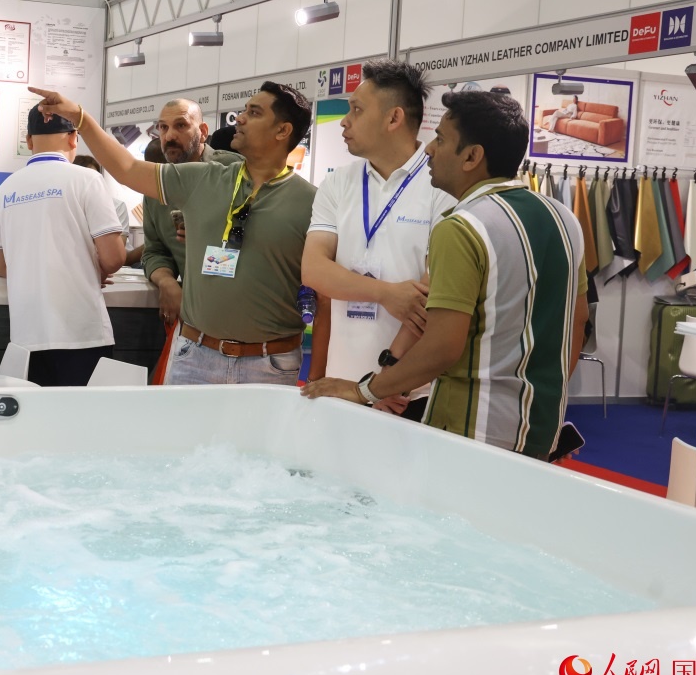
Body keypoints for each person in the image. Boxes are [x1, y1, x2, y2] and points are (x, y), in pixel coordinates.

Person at [303, 90, 588, 461]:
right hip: (539, 426)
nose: (429, 150)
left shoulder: (463, 227)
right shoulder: (564, 219)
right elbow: (577, 323)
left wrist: (365, 390)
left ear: (472, 156)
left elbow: (442, 346)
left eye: (440, 139)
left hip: (470, 429)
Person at [30, 82, 323, 386]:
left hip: (269, 366)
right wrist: (80, 117)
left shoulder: (312, 203)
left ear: (282, 131)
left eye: (254, 112)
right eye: (245, 110)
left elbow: (323, 300)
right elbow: (128, 168)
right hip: (195, 358)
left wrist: (317, 376)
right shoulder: (202, 178)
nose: (240, 118)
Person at [301, 59, 455, 420]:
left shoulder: (440, 186)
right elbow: (313, 269)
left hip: (410, 395)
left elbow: (432, 296)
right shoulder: (338, 182)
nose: (344, 121)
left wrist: (386, 382)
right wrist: (386, 293)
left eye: (356, 110)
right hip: (340, 387)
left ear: (393, 118)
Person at [0, 108, 126, 386]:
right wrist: (89, 267)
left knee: (36, 412)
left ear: (28, 140)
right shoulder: (87, 180)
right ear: (74, 138)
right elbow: (114, 258)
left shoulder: (5, 189)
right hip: (82, 335)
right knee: (83, 411)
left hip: (26, 338)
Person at [142, 99, 240, 326]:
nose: (169, 136)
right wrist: (166, 281)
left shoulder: (234, 172)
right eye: (163, 127)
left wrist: (209, 237)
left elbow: (262, 244)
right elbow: (154, 251)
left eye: (181, 125)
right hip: (192, 321)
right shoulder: (157, 185)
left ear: (203, 132)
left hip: (241, 315)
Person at [73, 154, 142, 266]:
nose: (89, 183)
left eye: (93, 178)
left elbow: (115, 252)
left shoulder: (116, 206)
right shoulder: (69, 206)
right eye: (83, 179)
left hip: (120, 263)